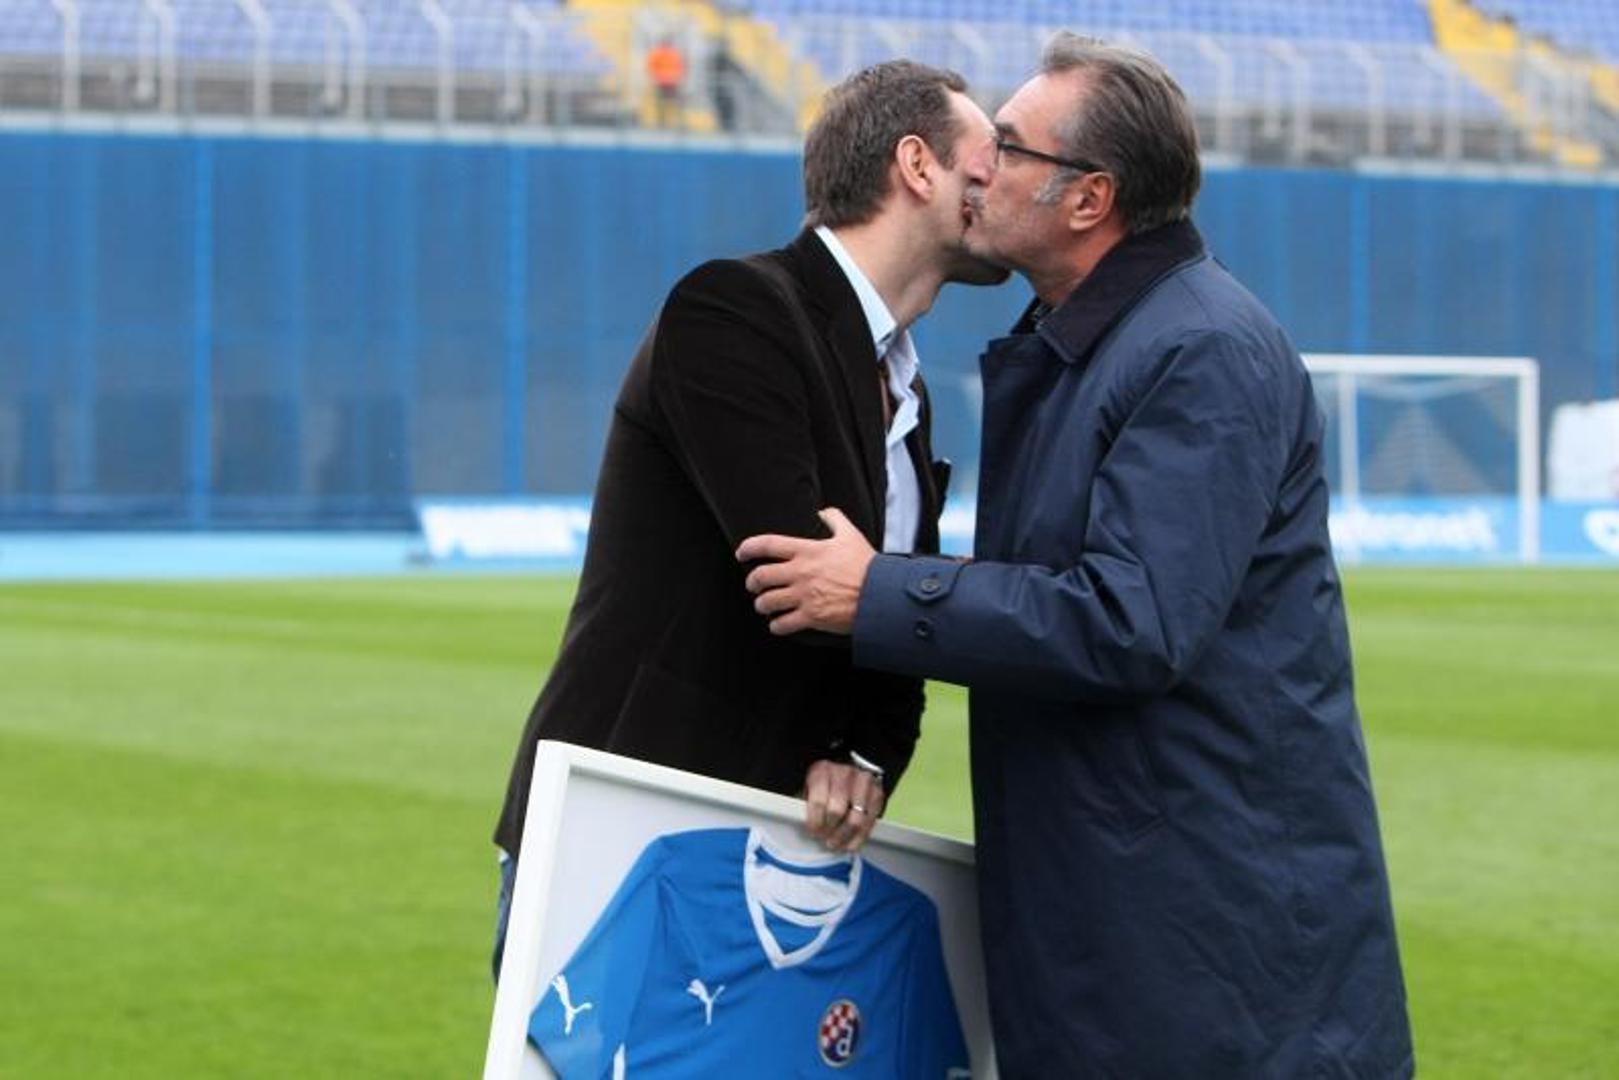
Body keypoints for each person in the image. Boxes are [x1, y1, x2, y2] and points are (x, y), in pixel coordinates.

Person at [737, 34, 1413, 1079]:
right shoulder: (1091, 342)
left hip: (1207, 948)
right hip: (1125, 917)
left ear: (1088, 199)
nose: (979, 166)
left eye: (1008, 146)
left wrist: (875, 592)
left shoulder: (1199, 348)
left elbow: (1129, 621)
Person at [492, 60, 1007, 975]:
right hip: (630, 830)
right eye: (989, 156)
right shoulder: (733, 309)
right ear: (917, 165)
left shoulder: (904, 382)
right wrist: (998, 601)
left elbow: (871, 606)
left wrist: (864, 751)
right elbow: (804, 579)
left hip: (770, 842)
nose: (1003, 182)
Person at [646, 37, 687, 129]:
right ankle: (663, 123)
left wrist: (678, 77)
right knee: (662, 103)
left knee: (675, 102)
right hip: (664, 82)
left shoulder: (672, 54)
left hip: (671, 82)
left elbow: (680, 66)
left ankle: (677, 122)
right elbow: (652, 66)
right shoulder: (660, 54)